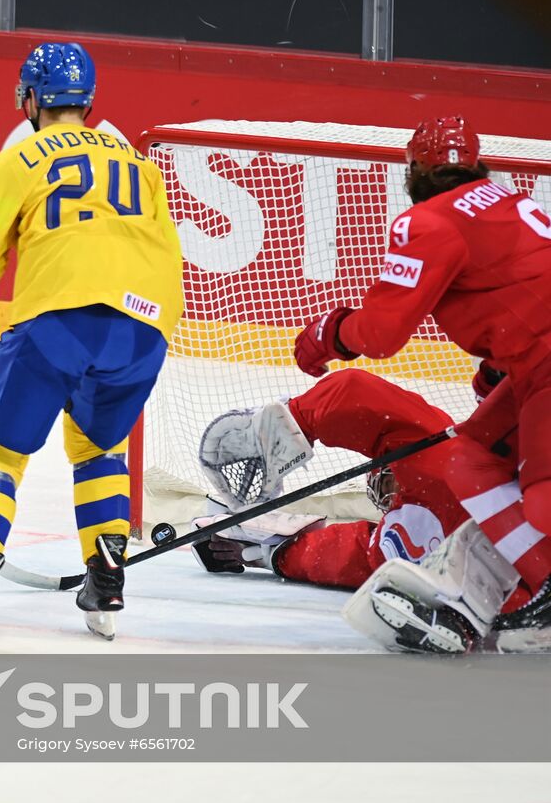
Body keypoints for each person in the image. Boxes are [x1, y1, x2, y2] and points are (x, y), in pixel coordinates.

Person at [0, 42, 183, 650]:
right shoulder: (138, 162)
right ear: (89, 101)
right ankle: (106, 583)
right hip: (144, 330)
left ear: (33, 99)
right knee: (99, 448)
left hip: (59, 324)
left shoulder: (16, 161)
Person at [293, 116, 551, 641]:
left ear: (414, 170)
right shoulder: (512, 202)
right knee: (469, 455)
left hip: (543, 365)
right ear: (477, 164)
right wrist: (498, 368)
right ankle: (538, 585)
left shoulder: (428, 222)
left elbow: (383, 334)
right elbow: (527, 286)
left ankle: (543, 587)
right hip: (530, 366)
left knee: (541, 498)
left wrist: (328, 332)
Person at [192, 366, 540, 653]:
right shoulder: (396, 532)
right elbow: (340, 556)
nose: (389, 494)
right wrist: (267, 552)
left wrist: (292, 421)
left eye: (387, 480)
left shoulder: (436, 473)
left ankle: (496, 615)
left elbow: (362, 399)